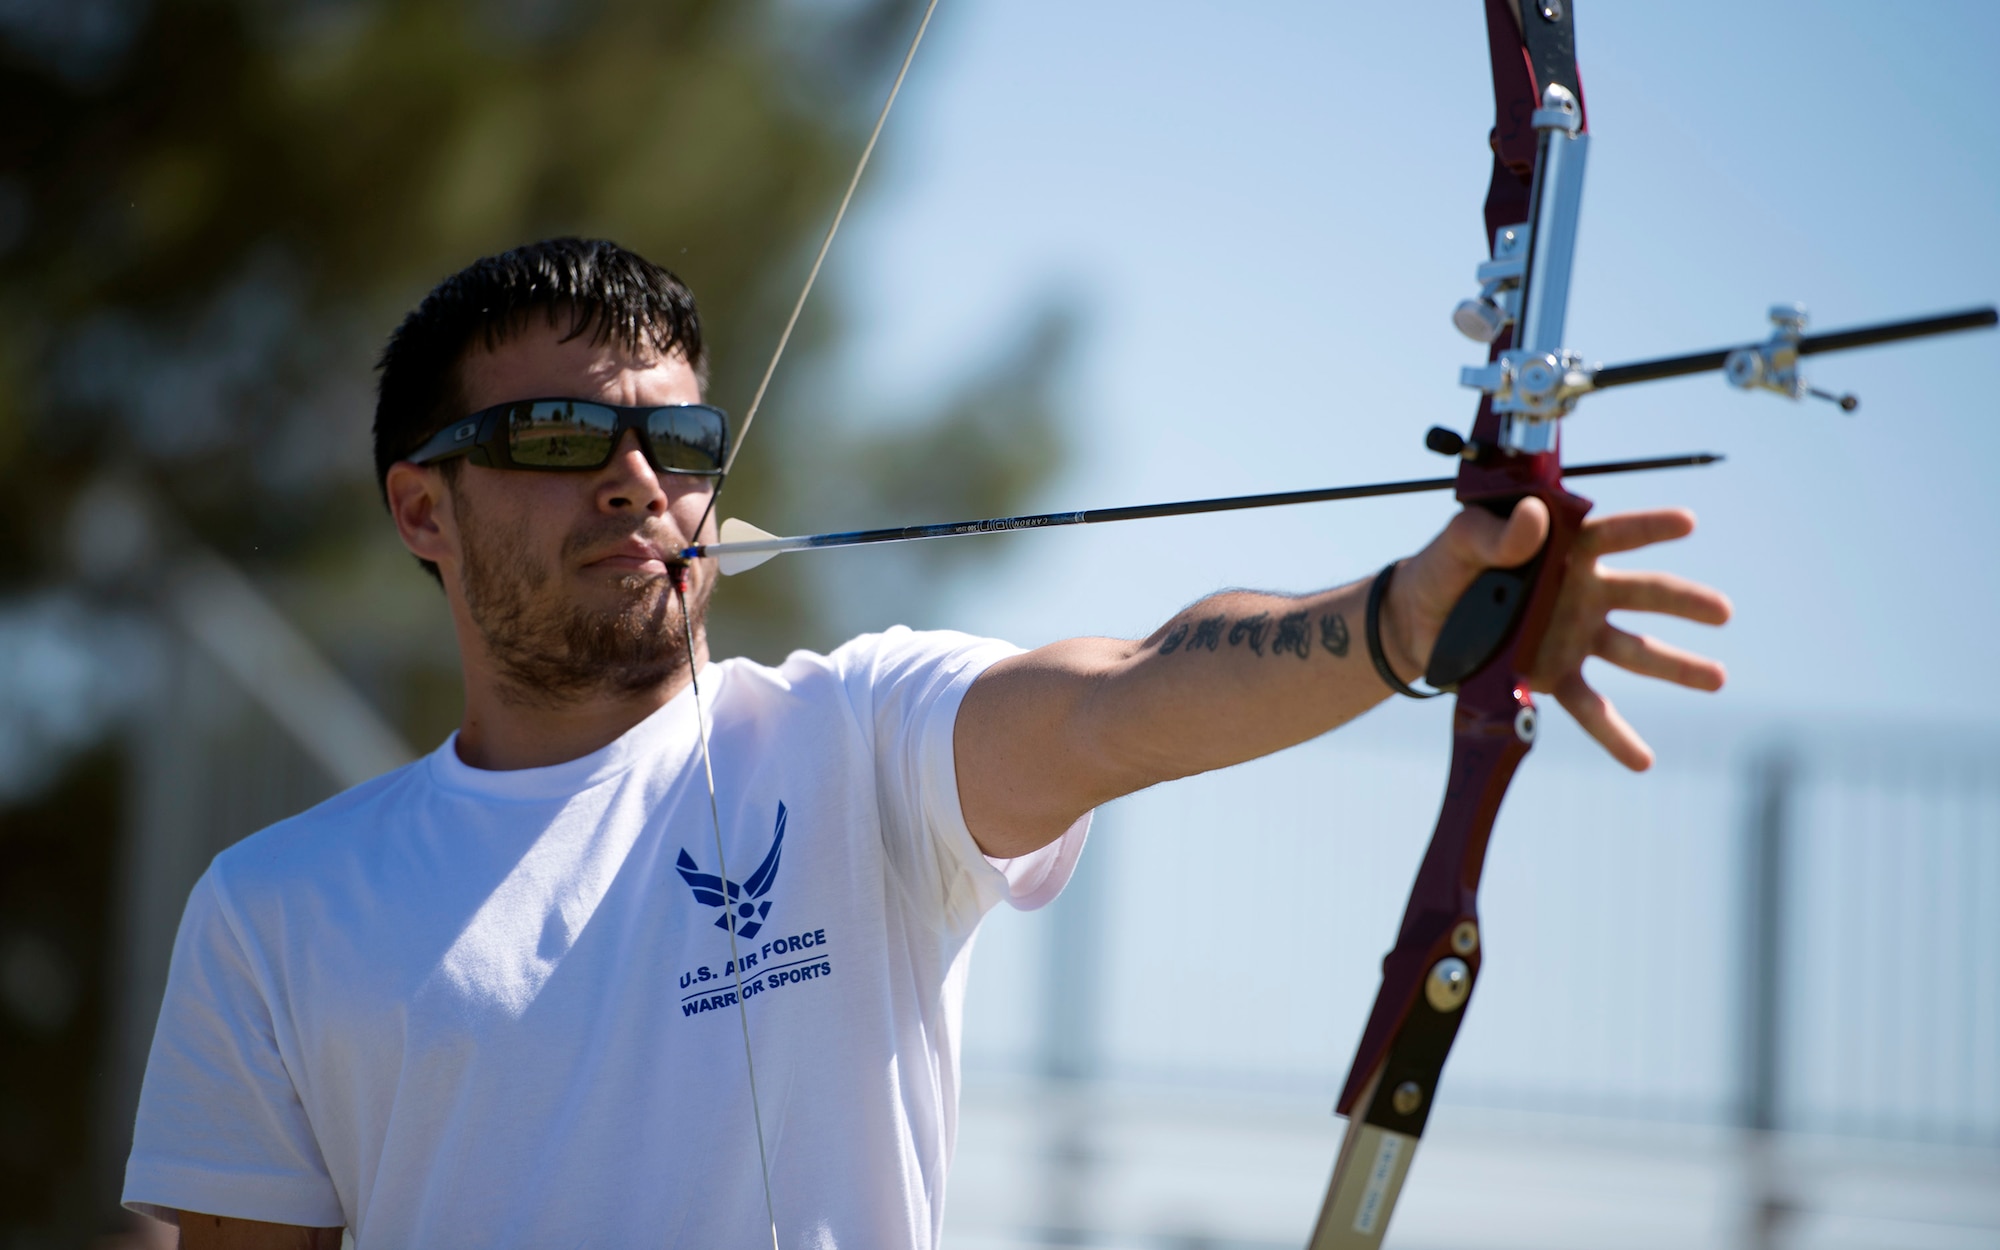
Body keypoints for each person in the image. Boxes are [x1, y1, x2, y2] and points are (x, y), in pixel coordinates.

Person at [122, 238, 1730, 1248]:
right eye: (554, 439)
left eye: (675, 442)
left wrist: (1406, 620)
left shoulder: (854, 739)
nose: (634, 481)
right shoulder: (278, 909)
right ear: (422, 505)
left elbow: (1129, 690)